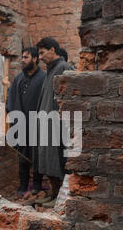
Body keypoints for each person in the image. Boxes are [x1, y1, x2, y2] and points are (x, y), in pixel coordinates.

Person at [34, 37, 74, 208]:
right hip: (46, 123)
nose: (40, 57)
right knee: (47, 161)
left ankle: (59, 196)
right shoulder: (50, 70)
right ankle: (53, 193)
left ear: (52, 50)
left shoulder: (63, 68)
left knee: (57, 161)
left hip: (57, 125)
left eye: (42, 53)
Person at [6, 47, 46, 196]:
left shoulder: (44, 78)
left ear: (35, 59)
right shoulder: (18, 78)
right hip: (20, 124)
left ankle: (37, 185)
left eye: (26, 57)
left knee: (37, 156)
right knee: (22, 157)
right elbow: (10, 98)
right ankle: (23, 186)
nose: (23, 60)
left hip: (37, 124)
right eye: (22, 57)